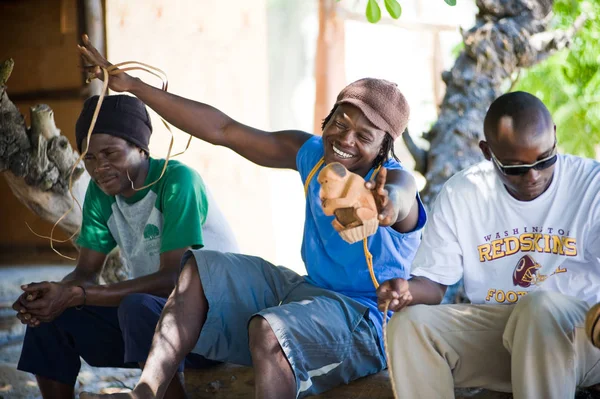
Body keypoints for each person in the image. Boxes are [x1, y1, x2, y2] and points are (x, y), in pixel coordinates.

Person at [77, 35, 426, 399]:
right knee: (199, 267)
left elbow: (402, 196)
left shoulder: (394, 179)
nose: (345, 139)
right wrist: (134, 87)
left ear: (384, 146)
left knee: (270, 329)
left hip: (366, 320)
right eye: (340, 122)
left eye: (363, 136)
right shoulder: (311, 155)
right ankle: (146, 393)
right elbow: (224, 130)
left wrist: (383, 205)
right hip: (310, 291)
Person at [13, 94, 240, 399]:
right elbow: (86, 272)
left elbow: (176, 281)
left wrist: (78, 294)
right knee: (53, 315)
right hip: (155, 323)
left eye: (110, 153)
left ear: (140, 148)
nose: (99, 167)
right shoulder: (101, 193)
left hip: (215, 328)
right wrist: (51, 296)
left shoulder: (176, 182)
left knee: (137, 306)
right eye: (89, 157)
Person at [377, 91, 600, 399]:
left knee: (538, 307)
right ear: (486, 151)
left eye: (545, 159)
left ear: (554, 137)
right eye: (515, 167)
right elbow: (434, 283)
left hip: (583, 337)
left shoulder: (591, 185)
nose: (533, 175)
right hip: (505, 338)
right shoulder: (463, 193)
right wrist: (407, 291)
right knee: (409, 325)